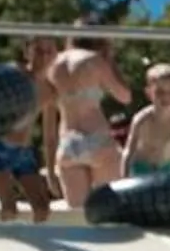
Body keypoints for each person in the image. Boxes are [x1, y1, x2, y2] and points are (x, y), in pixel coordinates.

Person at [44, 32, 129, 210]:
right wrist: (110, 61)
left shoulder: (51, 65)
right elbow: (125, 96)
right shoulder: (95, 60)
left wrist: (51, 171)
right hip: (97, 138)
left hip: (68, 142)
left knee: (78, 217)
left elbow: (49, 126)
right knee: (111, 212)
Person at [0, 33, 56, 222]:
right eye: (39, 51)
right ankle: (5, 245)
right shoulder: (13, 74)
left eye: (49, 52)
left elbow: (49, 135)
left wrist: (50, 170)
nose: (44, 56)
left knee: (42, 208)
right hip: (0, 147)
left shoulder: (49, 89)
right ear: (27, 52)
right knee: (9, 208)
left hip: (23, 151)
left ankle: (37, 243)